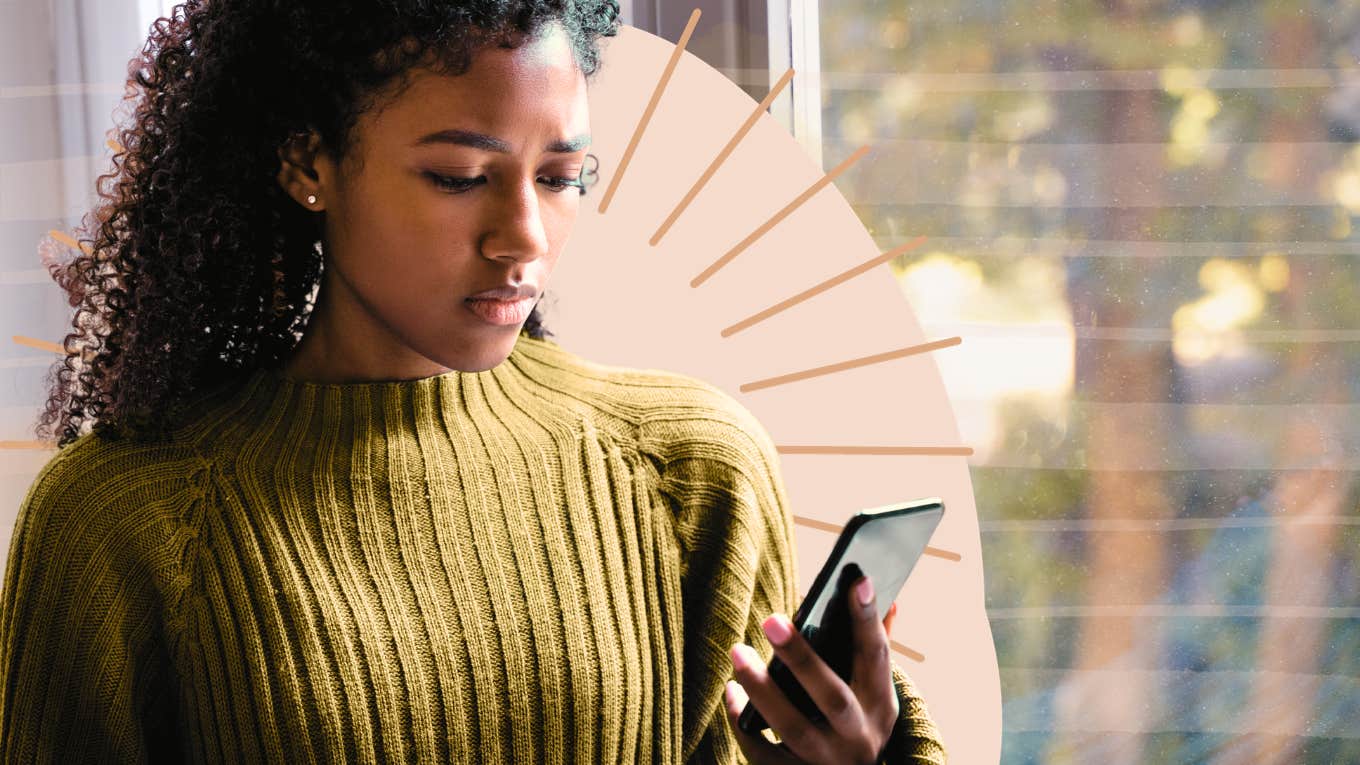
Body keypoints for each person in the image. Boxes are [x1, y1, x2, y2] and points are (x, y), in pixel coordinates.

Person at [0, 1, 947, 763]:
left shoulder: (691, 471)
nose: (524, 238)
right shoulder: (126, 518)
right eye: (459, 176)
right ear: (306, 163)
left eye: (562, 175)